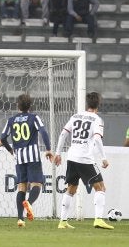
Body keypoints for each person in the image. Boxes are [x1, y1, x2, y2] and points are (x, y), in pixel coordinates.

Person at [54, 92, 114, 230]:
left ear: (87, 104)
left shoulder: (75, 116)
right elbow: (98, 139)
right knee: (100, 188)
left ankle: (62, 222)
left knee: (71, 188)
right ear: (98, 105)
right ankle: (98, 219)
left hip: (71, 157)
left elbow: (63, 133)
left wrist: (58, 153)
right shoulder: (97, 119)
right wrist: (103, 158)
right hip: (85, 159)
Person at [0, 94, 53, 227]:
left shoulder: (11, 120)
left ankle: (20, 219)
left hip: (19, 157)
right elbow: (43, 132)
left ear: (18, 105)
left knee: (21, 186)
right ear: (30, 106)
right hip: (32, 156)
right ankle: (29, 203)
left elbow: (2, 138)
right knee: (37, 184)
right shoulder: (34, 117)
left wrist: (11, 151)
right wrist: (48, 149)